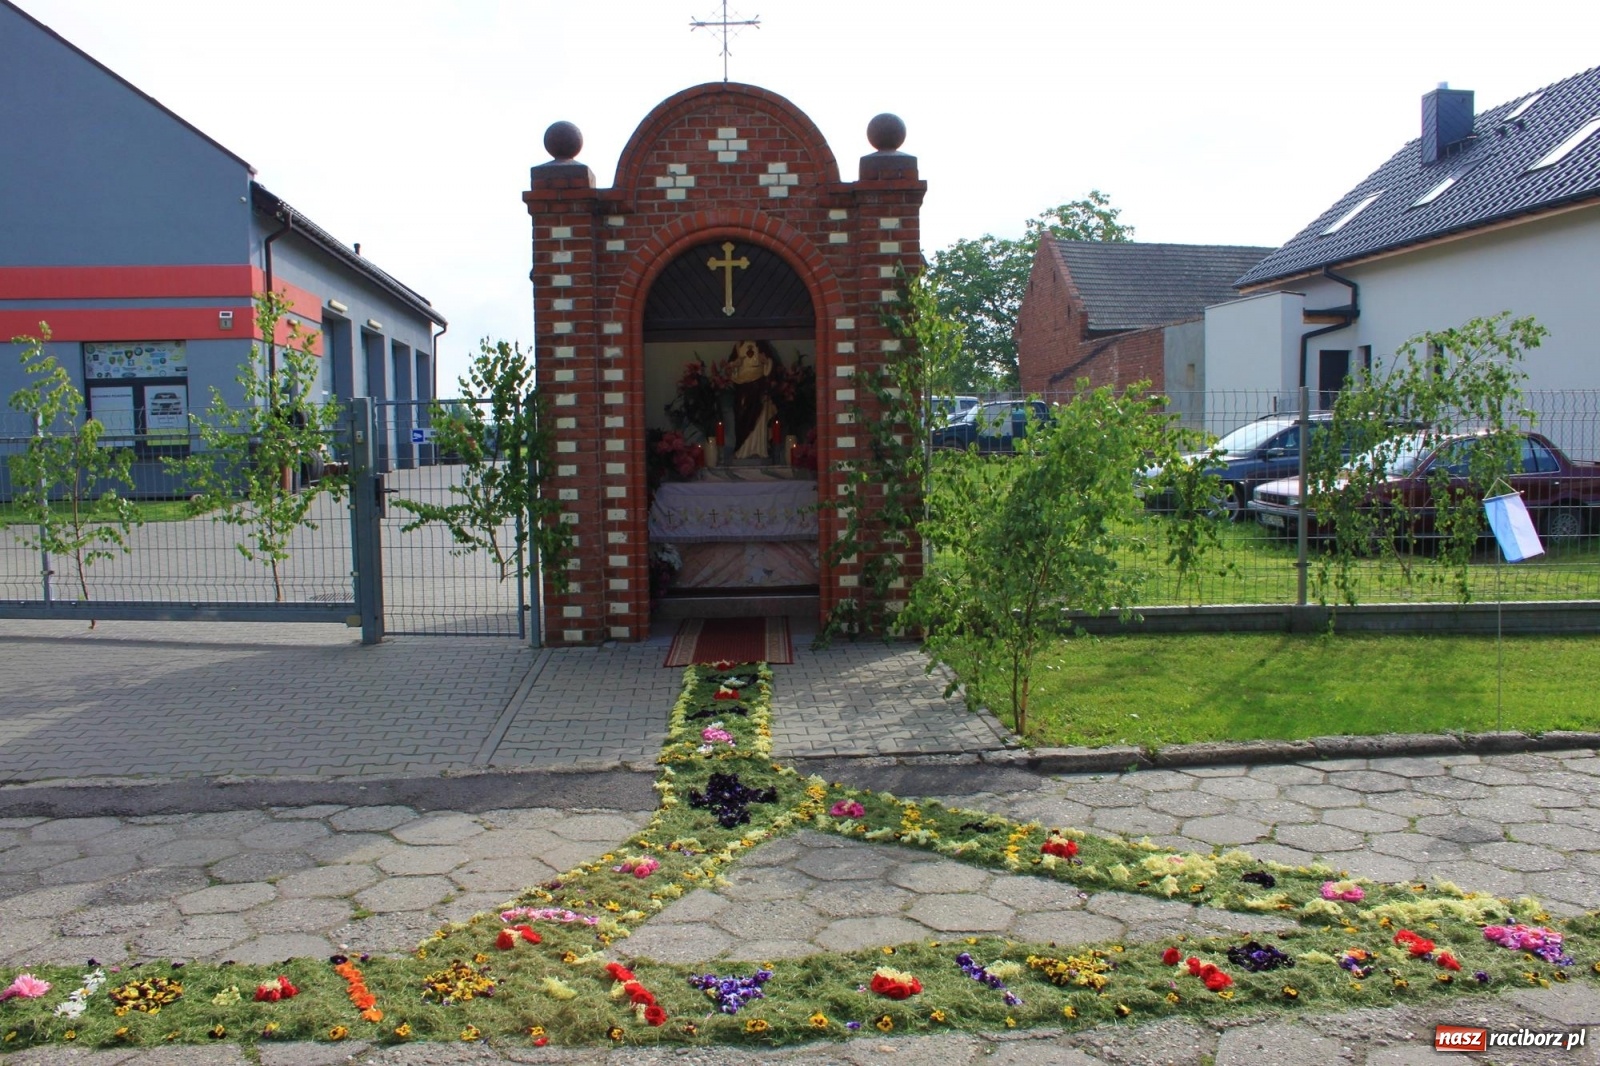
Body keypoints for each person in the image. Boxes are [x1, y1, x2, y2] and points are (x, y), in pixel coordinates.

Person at [726, 338, 780, 460]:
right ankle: (742, 448)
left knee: (759, 418)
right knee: (742, 416)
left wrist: (766, 362)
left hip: (758, 388)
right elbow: (730, 367)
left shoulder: (761, 344)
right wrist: (735, 365)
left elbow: (773, 367)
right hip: (742, 389)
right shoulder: (739, 345)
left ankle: (759, 449)